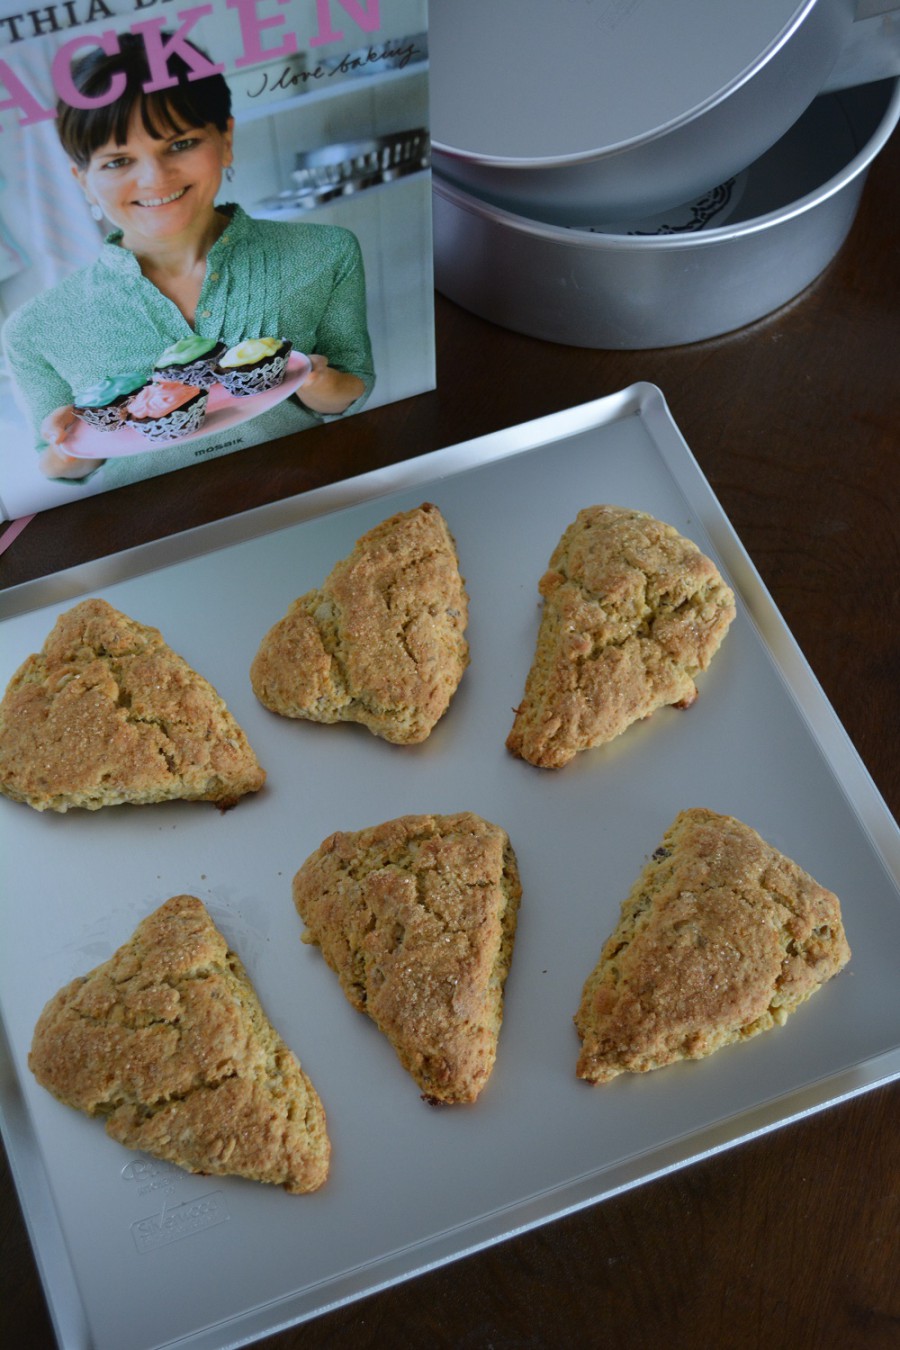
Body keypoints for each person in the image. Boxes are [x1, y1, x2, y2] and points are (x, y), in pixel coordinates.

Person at [2, 32, 375, 487]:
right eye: (118, 161)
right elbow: (59, 467)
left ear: (225, 138)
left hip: (305, 494)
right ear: (83, 180)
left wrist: (314, 380)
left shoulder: (326, 253)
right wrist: (67, 441)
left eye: (179, 144)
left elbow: (352, 387)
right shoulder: (32, 329)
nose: (155, 179)